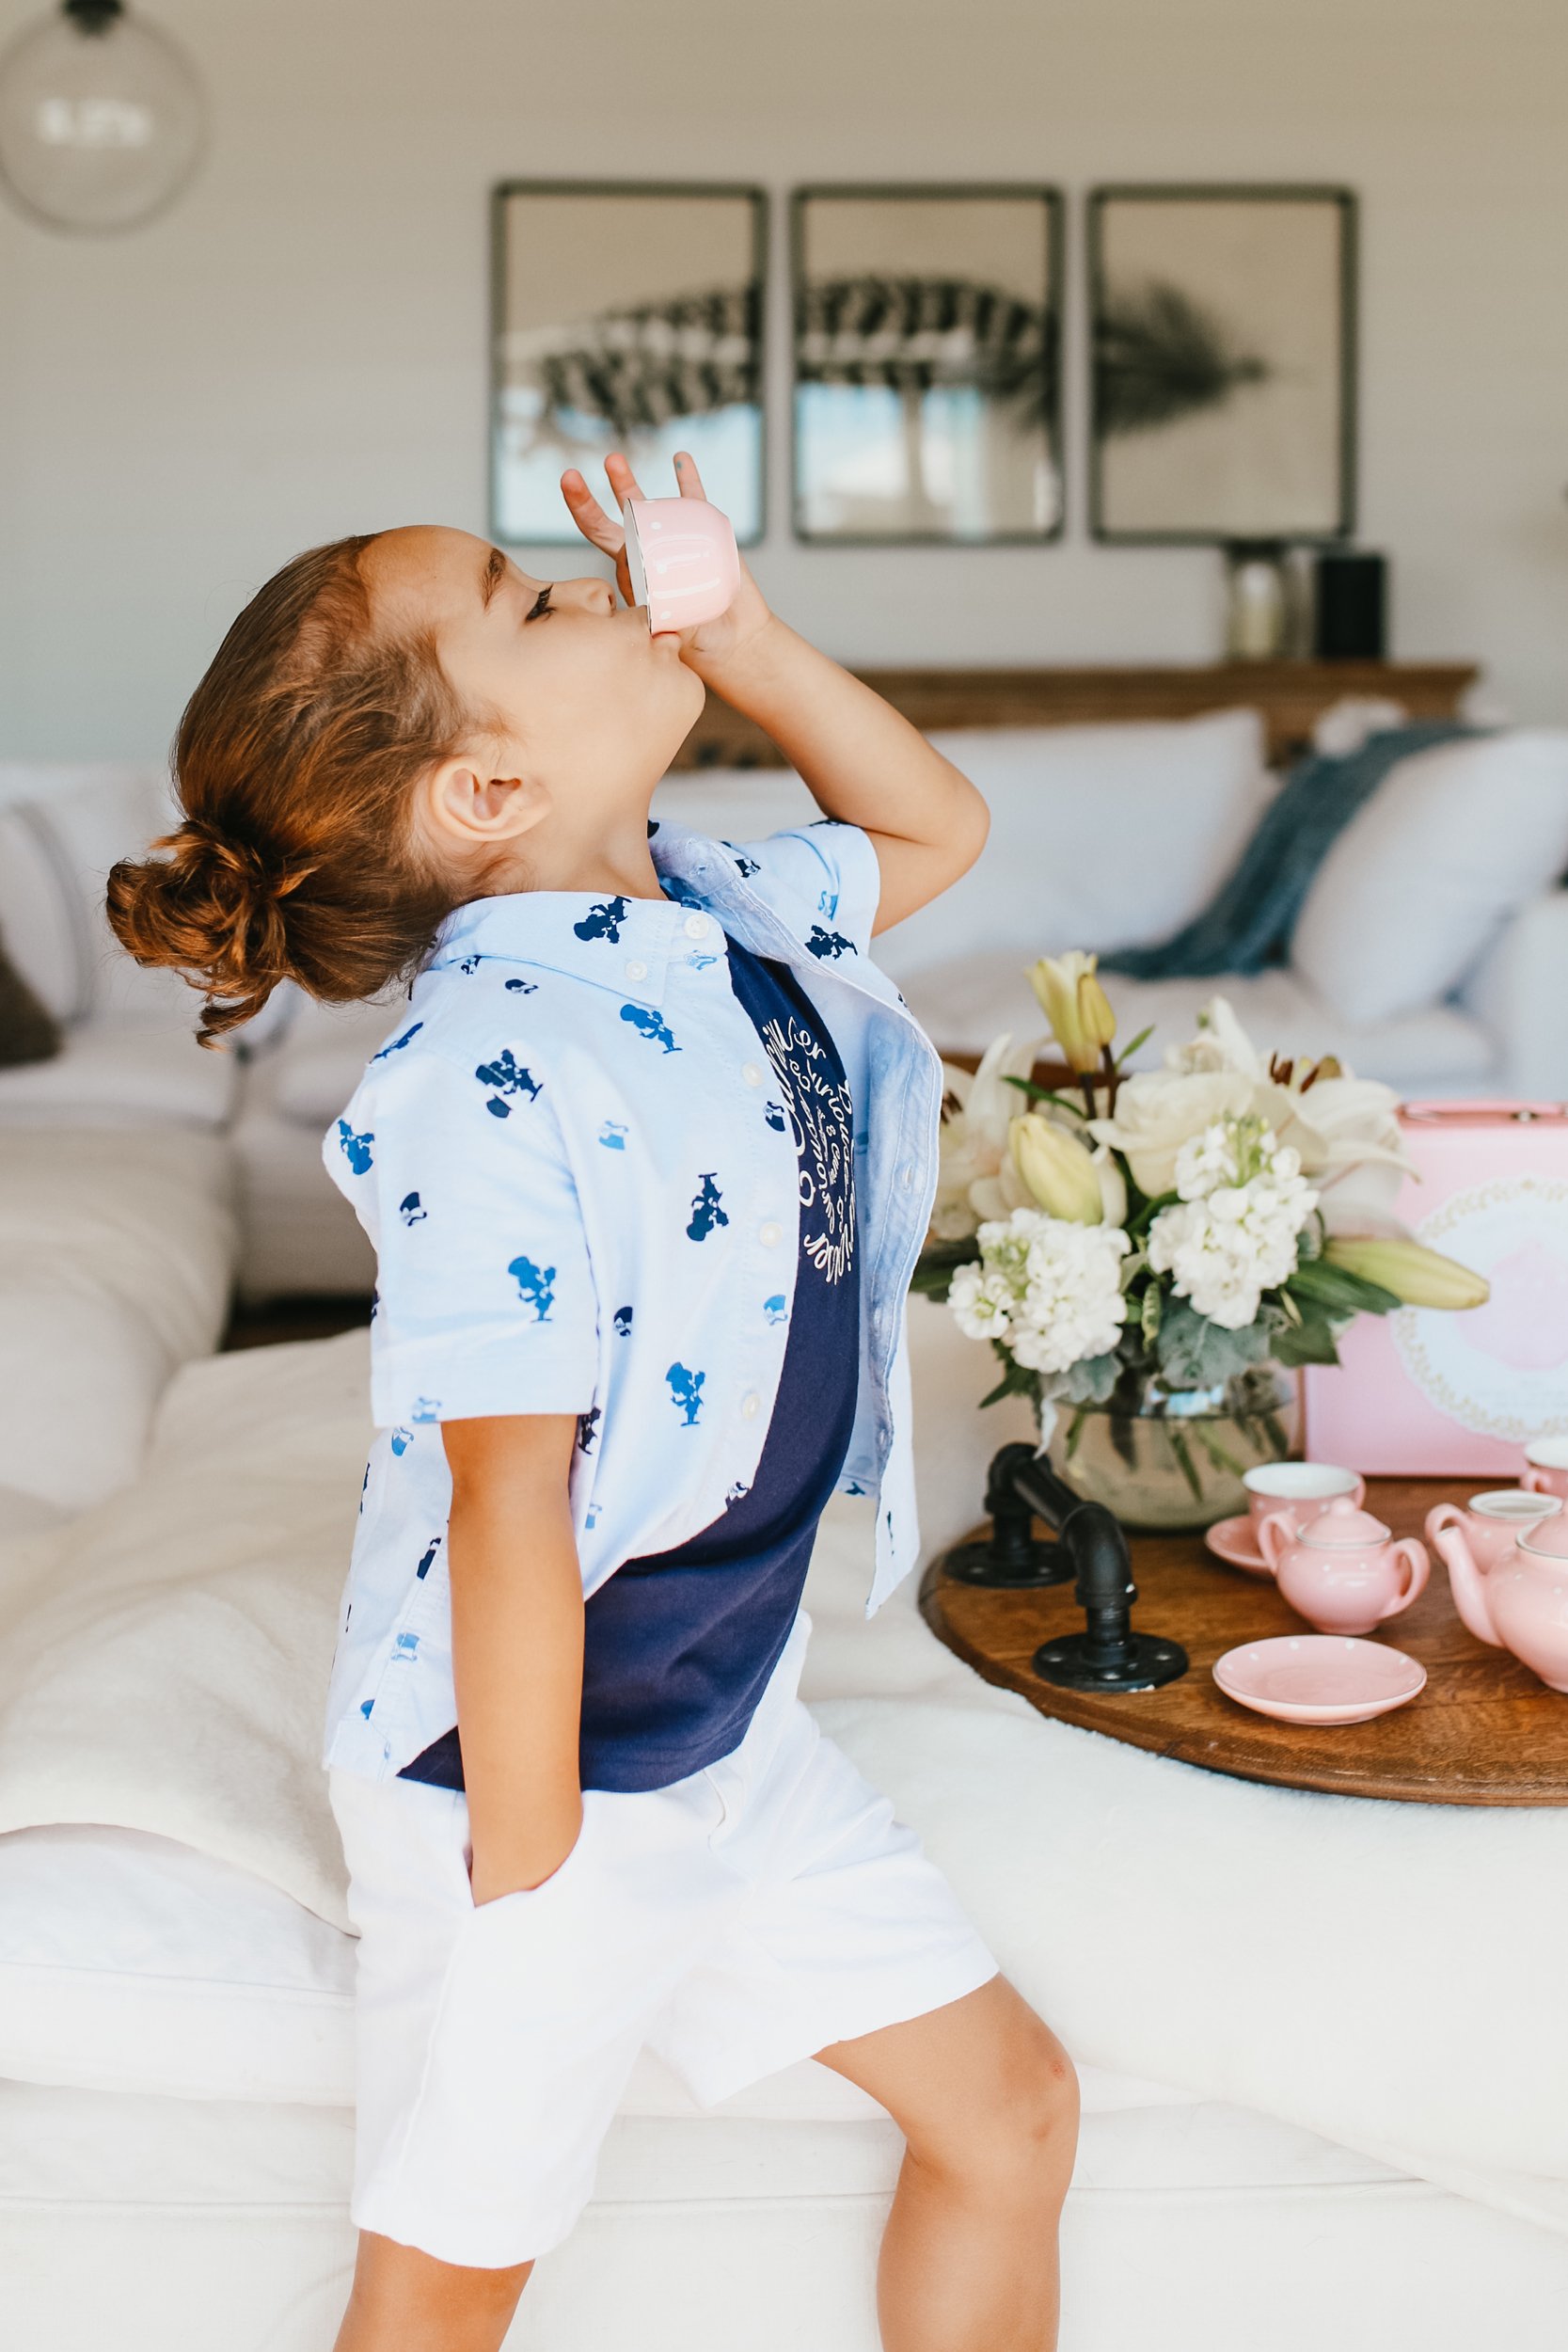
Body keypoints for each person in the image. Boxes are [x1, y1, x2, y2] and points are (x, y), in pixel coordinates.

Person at [106, 450, 1079, 2352]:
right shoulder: (479, 1078)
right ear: (486, 789)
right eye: (535, 602)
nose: (595, 581)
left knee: (1013, 2112)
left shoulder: (717, 904)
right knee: (445, 2297)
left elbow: (935, 825)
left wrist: (764, 644)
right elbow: (507, 1499)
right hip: (537, 1781)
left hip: (722, 1729)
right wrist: (535, 1884)